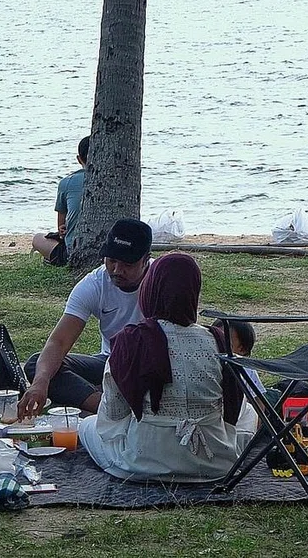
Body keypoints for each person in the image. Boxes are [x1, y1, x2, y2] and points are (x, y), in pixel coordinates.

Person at [77, 253, 252, 482]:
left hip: (143, 464)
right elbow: (233, 409)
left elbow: (112, 419)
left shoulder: (131, 341)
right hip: (215, 463)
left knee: (87, 425)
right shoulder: (218, 341)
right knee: (249, 411)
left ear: (151, 288)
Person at [18, 218, 153, 419]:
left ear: (146, 260)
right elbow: (59, 341)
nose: (117, 270)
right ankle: (107, 407)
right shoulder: (94, 284)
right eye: (112, 260)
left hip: (153, 366)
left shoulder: (161, 282)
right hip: (111, 363)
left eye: (127, 264)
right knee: (38, 365)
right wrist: (40, 384)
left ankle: (112, 406)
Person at [31, 136, 88, 266]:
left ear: (79, 159)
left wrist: (63, 230)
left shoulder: (67, 182)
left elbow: (61, 226)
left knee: (38, 238)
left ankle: (52, 259)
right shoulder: (113, 182)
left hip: (72, 252)